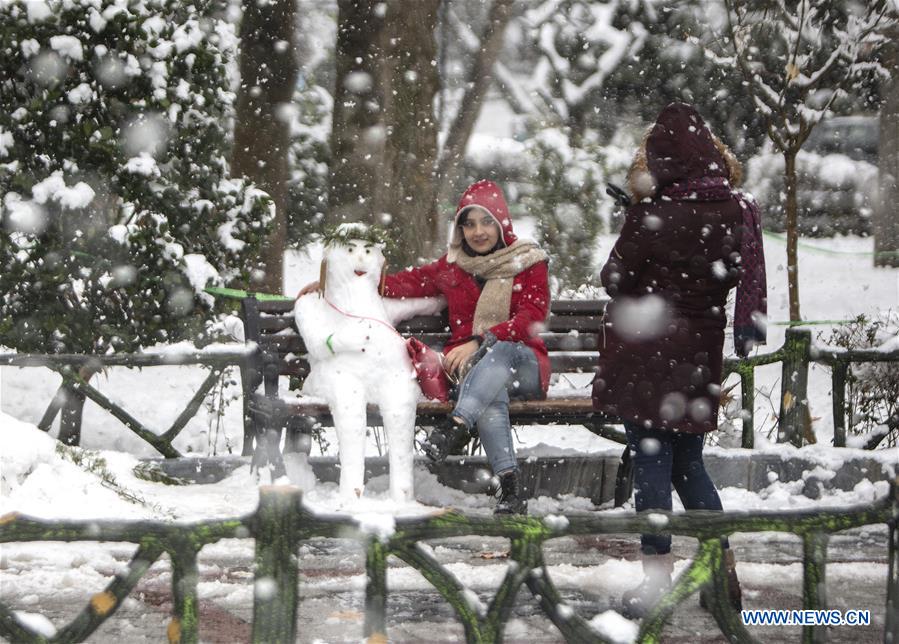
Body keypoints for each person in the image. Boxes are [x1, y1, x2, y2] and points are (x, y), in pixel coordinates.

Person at [593, 103, 766, 617]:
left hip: (646, 352)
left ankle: (656, 582)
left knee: (652, 458)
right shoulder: (737, 209)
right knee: (689, 462)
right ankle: (721, 569)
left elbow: (615, 279)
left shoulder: (654, 215)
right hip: (698, 354)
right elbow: (735, 274)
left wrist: (637, 223)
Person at [298, 180, 551, 514]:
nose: (478, 231)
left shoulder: (529, 261)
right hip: (477, 375)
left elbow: (531, 317)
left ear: (502, 222)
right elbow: (403, 282)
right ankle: (511, 488)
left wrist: (480, 340)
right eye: (469, 223)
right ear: (460, 229)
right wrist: (338, 279)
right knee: (490, 393)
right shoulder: (453, 268)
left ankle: (456, 424)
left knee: (498, 353)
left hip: (523, 363)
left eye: (487, 221)